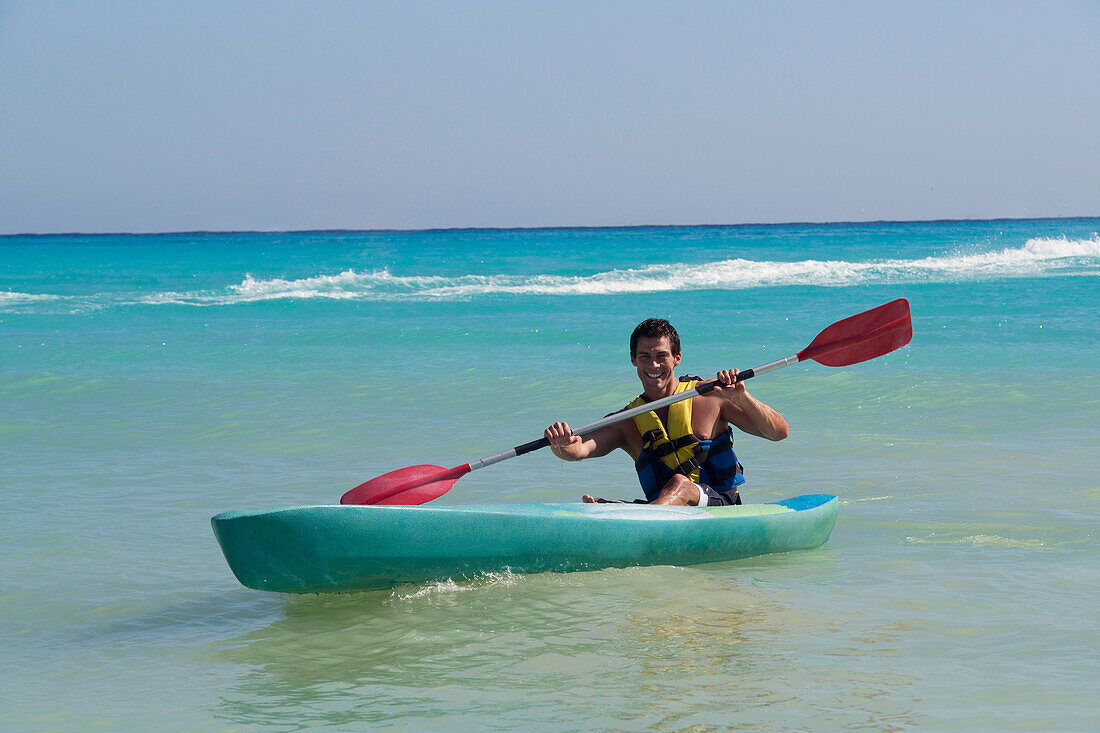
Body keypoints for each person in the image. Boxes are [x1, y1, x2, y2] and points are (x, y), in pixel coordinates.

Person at [544, 318, 788, 505]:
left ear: (677, 358)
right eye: (645, 357)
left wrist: (743, 398)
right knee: (598, 507)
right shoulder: (626, 421)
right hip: (667, 514)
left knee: (682, 485)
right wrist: (562, 445)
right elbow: (578, 451)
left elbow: (779, 432)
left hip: (721, 508)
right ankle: (635, 513)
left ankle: (639, 515)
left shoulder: (712, 395)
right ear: (633, 360)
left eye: (662, 356)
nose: (654, 365)